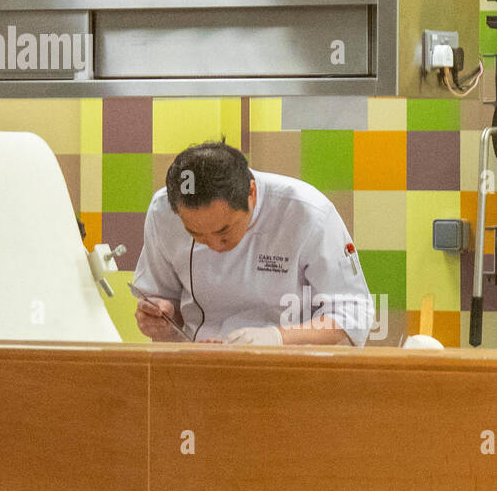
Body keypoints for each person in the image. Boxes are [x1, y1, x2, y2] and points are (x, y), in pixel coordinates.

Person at [133, 140, 374, 346]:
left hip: (293, 369)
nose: (215, 245)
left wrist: (277, 337)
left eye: (224, 231)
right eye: (196, 234)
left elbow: (354, 312)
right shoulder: (162, 211)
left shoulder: (308, 213)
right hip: (200, 365)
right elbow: (161, 296)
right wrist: (159, 316)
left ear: (252, 194)